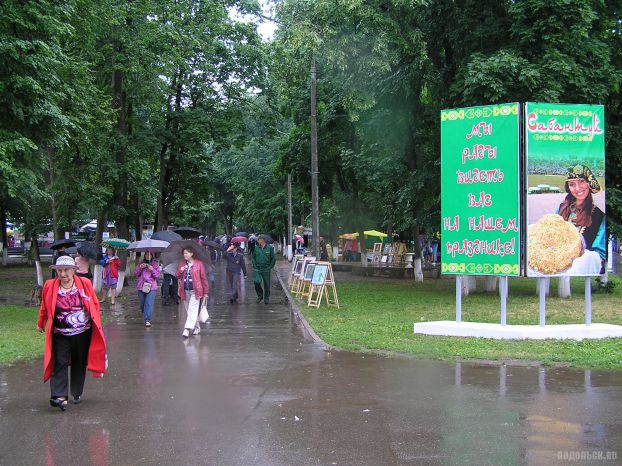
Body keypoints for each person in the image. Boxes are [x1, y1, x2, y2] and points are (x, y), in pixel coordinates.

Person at [36, 255, 107, 411]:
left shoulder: (85, 283)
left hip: (82, 332)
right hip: (60, 333)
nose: (63, 274)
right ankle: (59, 396)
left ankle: (76, 392)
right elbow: (45, 306)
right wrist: (41, 323)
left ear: (74, 270)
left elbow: (94, 303)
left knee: (78, 362)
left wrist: (97, 325)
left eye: (66, 270)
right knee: (59, 362)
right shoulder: (50, 285)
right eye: (60, 271)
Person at [557, 164, 606, 273]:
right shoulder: (562, 208)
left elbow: (598, 253)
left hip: (582, 263)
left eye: (581, 182)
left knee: (589, 258)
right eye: (572, 184)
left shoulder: (598, 214)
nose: (577, 188)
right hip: (557, 256)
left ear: (589, 183)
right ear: (568, 187)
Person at [176, 246, 209, 338]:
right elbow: (177, 276)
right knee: (190, 311)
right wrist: (181, 270)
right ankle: (197, 326)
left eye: (186, 253)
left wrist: (206, 292)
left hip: (196, 291)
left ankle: (186, 329)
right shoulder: (182, 263)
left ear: (191, 254)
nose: (185, 255)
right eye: (184, 253)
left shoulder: (199, 264)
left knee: (192, 310)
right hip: (185, 290)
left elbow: (203, 278)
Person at [134, 251, 160, 327]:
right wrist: (140, 268)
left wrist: (152, 270)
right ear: (144, 255)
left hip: (151, 287)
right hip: (141, 286)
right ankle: (145, 312)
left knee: (148, 303)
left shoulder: (155, 264)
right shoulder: (141, 264)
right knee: (142, 304)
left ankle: (147, 320)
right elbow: (135, 274)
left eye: (149, 254)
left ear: (152, 256)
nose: (148, 256)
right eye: (146, 254)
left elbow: (158, 276)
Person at [251, 235, 276, 304]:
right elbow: (253, 258)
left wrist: (270, 267)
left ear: (262, 240)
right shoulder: (256, 248)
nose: (257, 241)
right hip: (258, 269)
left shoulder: (270, 248)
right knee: (256, 282)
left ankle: (266, 298)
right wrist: (254, 266)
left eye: (258, 239)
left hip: (266, 269)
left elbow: (273, 259)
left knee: (267, 284)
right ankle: (260, 296)